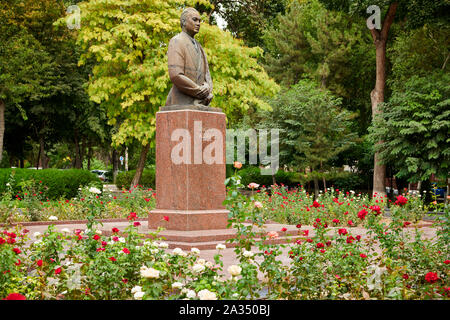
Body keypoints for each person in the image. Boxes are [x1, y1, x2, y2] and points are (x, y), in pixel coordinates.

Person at [165, 7, 213, 107]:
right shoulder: (177, 41)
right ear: (183, 21)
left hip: (200, 102)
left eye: (200, 21)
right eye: (194, 20)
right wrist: (199, 91)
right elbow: (176, 75)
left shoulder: (200, 47)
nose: (198, 23)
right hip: (181, 102)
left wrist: (207, 88)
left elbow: (207, 75)